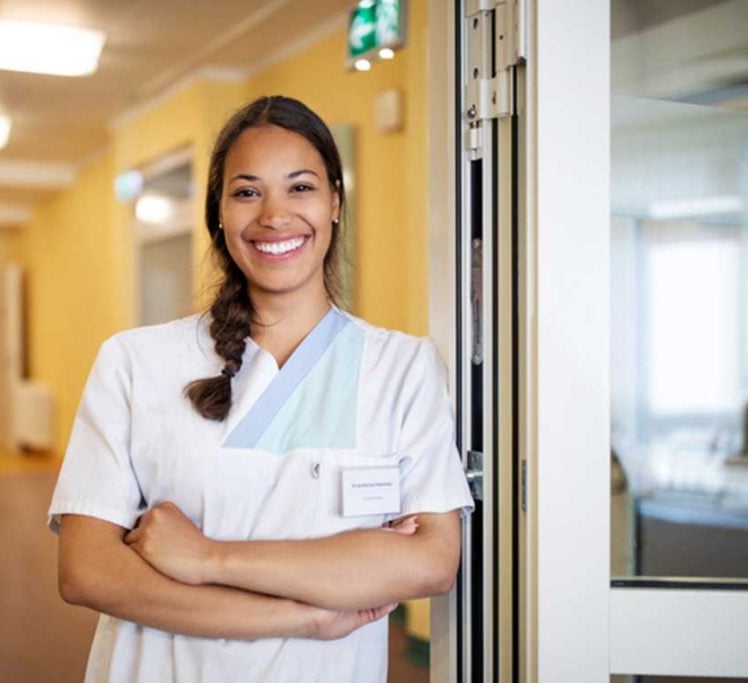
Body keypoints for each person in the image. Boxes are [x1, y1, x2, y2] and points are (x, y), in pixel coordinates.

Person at [49, 95, 474, 683]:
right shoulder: (134, 361)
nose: (274, 215)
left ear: (335, 203)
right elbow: (87, 571)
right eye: (247, 192)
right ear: (218, 214)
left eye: (300, 187)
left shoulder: (401, 366)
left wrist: (205, 558)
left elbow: (431, 561)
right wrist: (301, 615)